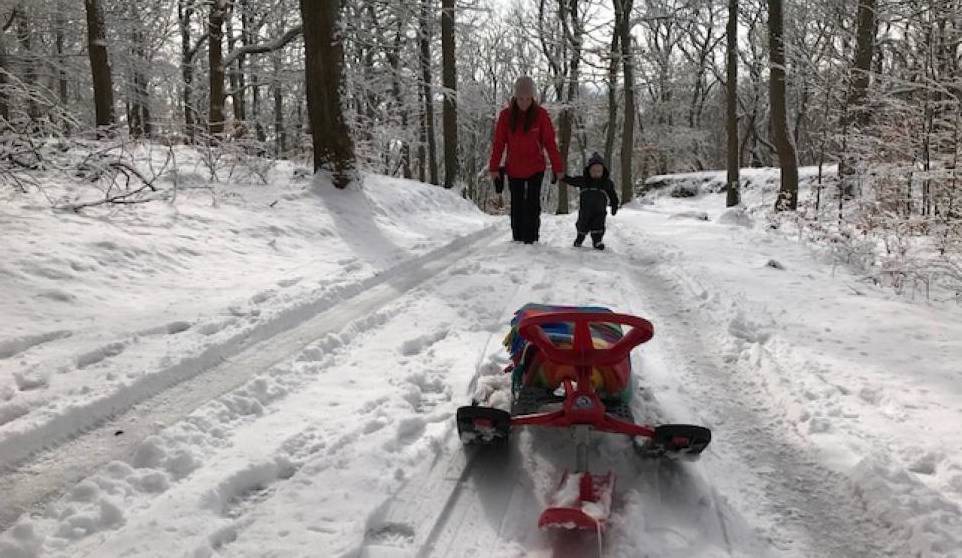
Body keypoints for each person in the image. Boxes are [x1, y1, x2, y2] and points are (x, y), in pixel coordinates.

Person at [489, 76, 564, 244]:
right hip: (514, 168)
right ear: (515, 98)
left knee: (532, 204)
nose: (524, 102)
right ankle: (517, 237)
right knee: (516, 205)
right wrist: (494, 167)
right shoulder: (506, 116)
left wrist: (558, 168)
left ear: (533, 98)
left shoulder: (541, 115)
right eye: (520, 98)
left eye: (528, 99)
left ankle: (532, 238)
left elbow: (550, 143)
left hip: (535, 167)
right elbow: (499, 143)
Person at [561, 152, 619, 250]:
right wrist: (562, 177)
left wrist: (614, 205)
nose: (596, 173)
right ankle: (580, 238)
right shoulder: (583, 181)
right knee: (582, 224)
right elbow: (571, 180)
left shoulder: (606, 183)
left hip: (599, 211)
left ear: (603, 171)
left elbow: (613, 195)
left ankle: (597, 241)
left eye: (599, 171)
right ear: (589, 171)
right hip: (585, 210)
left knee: (599, 225)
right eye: (594, 171)